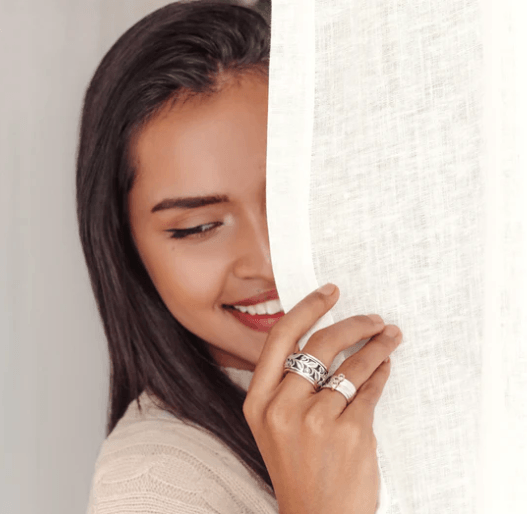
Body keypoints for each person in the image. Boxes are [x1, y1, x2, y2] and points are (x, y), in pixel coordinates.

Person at [78, 2, 403, 513]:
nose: (267, 259)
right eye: (199, 227)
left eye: (291, 201)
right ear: (127, 248)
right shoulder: (151, 486)